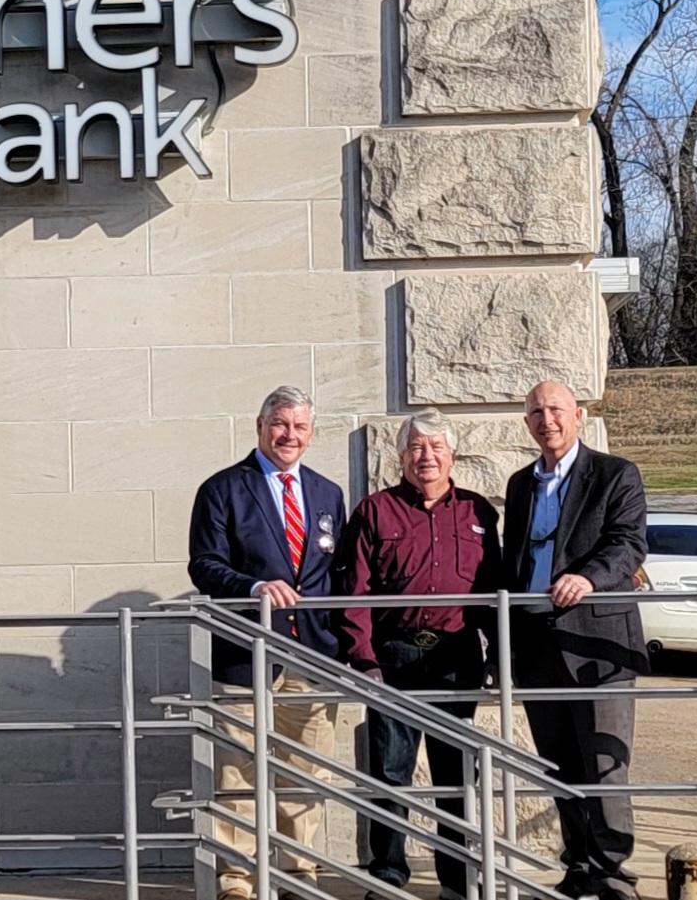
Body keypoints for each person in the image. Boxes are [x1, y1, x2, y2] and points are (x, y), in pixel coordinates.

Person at [333, 408, 501, 900]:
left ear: (451, 455)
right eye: (416, 448)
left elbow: (493, 588)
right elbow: (353, 592)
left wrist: (497, 654)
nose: (426, 457)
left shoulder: (477, 512)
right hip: (394, 657)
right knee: (390, 771)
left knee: (456, 775)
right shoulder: (374, 511)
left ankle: (458, 879)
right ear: (401, 456)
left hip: (456, 657)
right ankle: (387, 877)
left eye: (436, 448)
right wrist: (362, 659)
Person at [188, 386, 347, 900]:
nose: (289, 435)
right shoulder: (223, 489)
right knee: (238, 773)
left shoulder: (327, 494)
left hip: (311, 655)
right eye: (280, 424)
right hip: (244, 654)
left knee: (306, 775)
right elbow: (203, 565)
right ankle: (237, 880)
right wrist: (254, 588)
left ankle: (298, 875)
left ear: (312, 433)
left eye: (300, 427)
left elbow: (335, 575)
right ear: (259, 426)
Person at [503, 381, 649, 900]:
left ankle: (614, 877)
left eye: (557, 410)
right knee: (559, 766)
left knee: (605, 767)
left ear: (579, 415)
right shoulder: (521, 485)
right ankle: (579, 868)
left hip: (596, 645)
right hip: (537, 645)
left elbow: (629, 544)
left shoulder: (615, 475)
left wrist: (588, 578)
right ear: (527, 424)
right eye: (537, 412)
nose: (548, 420)